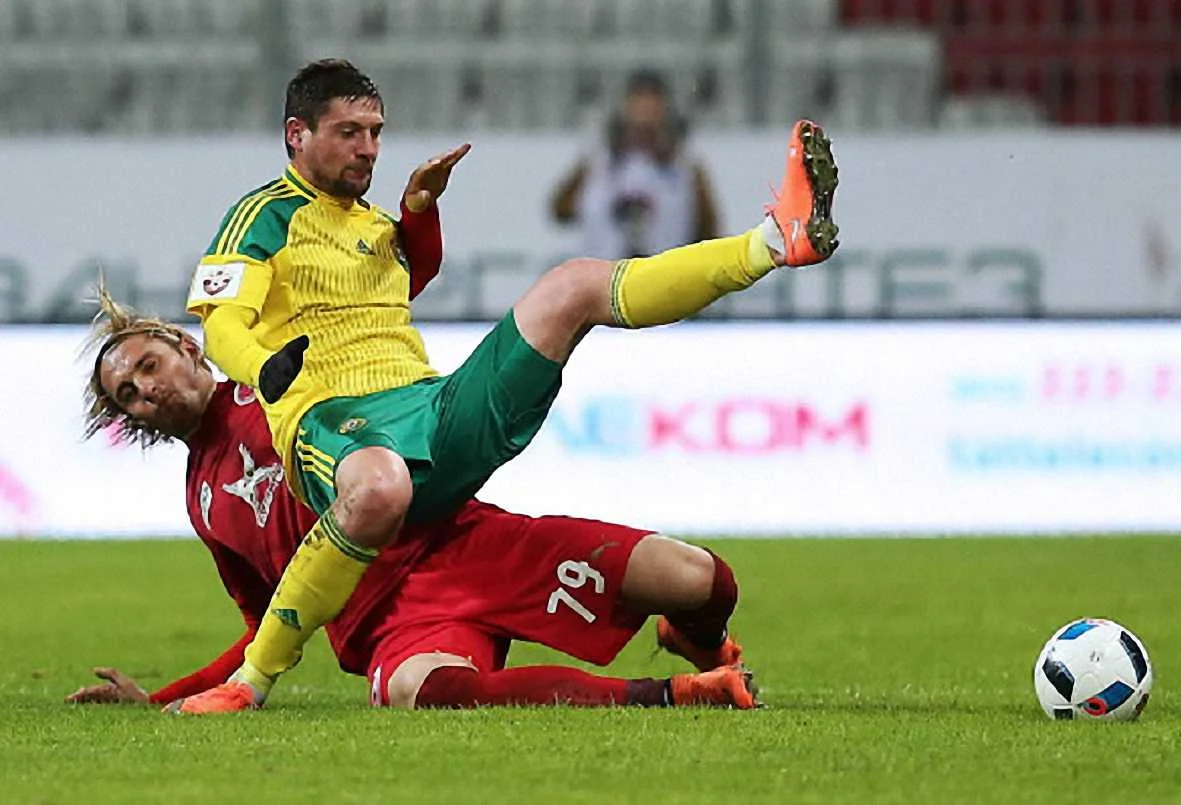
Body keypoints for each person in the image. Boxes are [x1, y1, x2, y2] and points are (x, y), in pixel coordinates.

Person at [182, 57, 838, 713]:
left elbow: (402, 284)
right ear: (296, 133)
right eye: (349, 132)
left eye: (376, 131)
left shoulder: (371, 224)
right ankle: (252, 682)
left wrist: (417, 211)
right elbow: (222, 327)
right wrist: (260, 368)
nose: (369, 148)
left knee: (573, 285)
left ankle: (773, 241)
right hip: (334, 422)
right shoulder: (262, 216)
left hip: (427, 408)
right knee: (381, 488)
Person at [70, 293, 755, 712]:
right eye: (128, 393)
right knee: (421, 693)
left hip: (466, 544)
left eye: (148, 365)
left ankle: (698, 640)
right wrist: (164, 696)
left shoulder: (286, 384)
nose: (146, 390)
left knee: (701, 577)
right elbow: (266, 626)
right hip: (388, 626)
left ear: (187, 347)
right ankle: (680, 695)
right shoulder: (204, 503)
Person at [549, 69, 720, 259]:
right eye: (639, 104)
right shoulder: (598, 159)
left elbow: (708, 233)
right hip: (603, 277)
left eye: (652, 105)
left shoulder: (686, 166)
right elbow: (560, 210)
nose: (645, 114)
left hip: (663, 279)